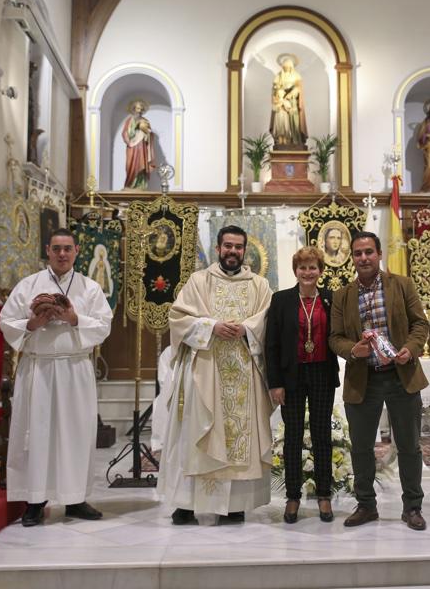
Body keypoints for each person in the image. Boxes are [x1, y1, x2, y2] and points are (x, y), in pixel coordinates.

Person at [156, 225, 274, 525]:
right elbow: (179, 317)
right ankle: (186, 504)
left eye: (238, 247)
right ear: (218, 248)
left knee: (236, 438)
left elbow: (266, 320)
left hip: (244, 373)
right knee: (196, 434)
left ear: (244, 250)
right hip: (204, 373)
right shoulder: (199, 281)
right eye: (227, 246)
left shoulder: (259, 285)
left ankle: (234, 506)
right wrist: (212, 327)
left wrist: (246, 329)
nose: (233, 251)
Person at [0, 229, 113, 526]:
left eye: (68, 249)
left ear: (77, 251)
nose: (62, 254)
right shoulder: (28, 285)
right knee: (36, 436)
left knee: (76, 434)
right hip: (39, 370)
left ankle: (75, 499)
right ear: (47, 251)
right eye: (56, 249)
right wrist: (33, 323)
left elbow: (103, 325)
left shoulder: (90, 288)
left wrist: (74, 319)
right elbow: (6, 322)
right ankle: (35, 501)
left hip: (74, 368)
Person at [329, 231, 430, 530]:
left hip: (401, 377)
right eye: (358, 253)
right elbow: (335, 337)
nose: (363, 258)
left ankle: (412, 507)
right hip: (364, 380)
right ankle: (366, 505)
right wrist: (353, 350)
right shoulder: (342, 295)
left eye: (368, 252)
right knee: (361, 447)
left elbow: (420, 323)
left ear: (379, 253)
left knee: (409, 446)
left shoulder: (401, 285)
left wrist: (409, 349)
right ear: (352, 258)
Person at [265, 246, 340, 524]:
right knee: (293, 437)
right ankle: (293, 497)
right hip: (291, 377)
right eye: (303, 267)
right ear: (295, 270)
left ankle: (323, 496)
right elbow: (271, 345)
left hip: (322, 373)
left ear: (321, 270)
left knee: (322, 435)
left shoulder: (332, 299)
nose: (308, 272)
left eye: (313, 267)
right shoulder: (281, 300)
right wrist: (275, 383)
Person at [270, 54, 307, 148]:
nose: (286, 69)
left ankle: (295, 140)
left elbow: (299, 88)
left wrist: (291, 93)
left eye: (288, 67)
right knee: (282, 123)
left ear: (291, 67)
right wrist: (279, 93)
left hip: (293, 101)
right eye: (284, 67)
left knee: (294, 122)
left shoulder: (296, 75)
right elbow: (275, 89)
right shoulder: (279, 76)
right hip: (281, 103)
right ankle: (283, 140)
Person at [122, 99, 155, 189]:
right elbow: (125, 132)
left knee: (142, 164)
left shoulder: (145, 120)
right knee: (130, 166)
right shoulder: (129, 120)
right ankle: (130, 185)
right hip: (132, 146)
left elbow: (150, 133)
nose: (139, 111)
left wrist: (147, 131)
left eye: (141, 109)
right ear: (134, 109)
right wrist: (133, 130)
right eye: (137, 109)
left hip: (142, 146)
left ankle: (141, 186)